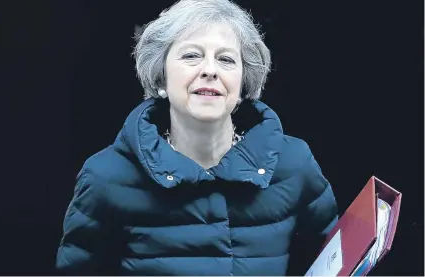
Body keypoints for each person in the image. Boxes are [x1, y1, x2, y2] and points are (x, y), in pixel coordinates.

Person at [56, 0, 339, 275]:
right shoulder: (106, 177)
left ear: (243, 84)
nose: (209, 70)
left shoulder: (293, 164)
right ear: (160, 78)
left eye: (226, 59)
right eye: (191, 55)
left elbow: (335, 262)